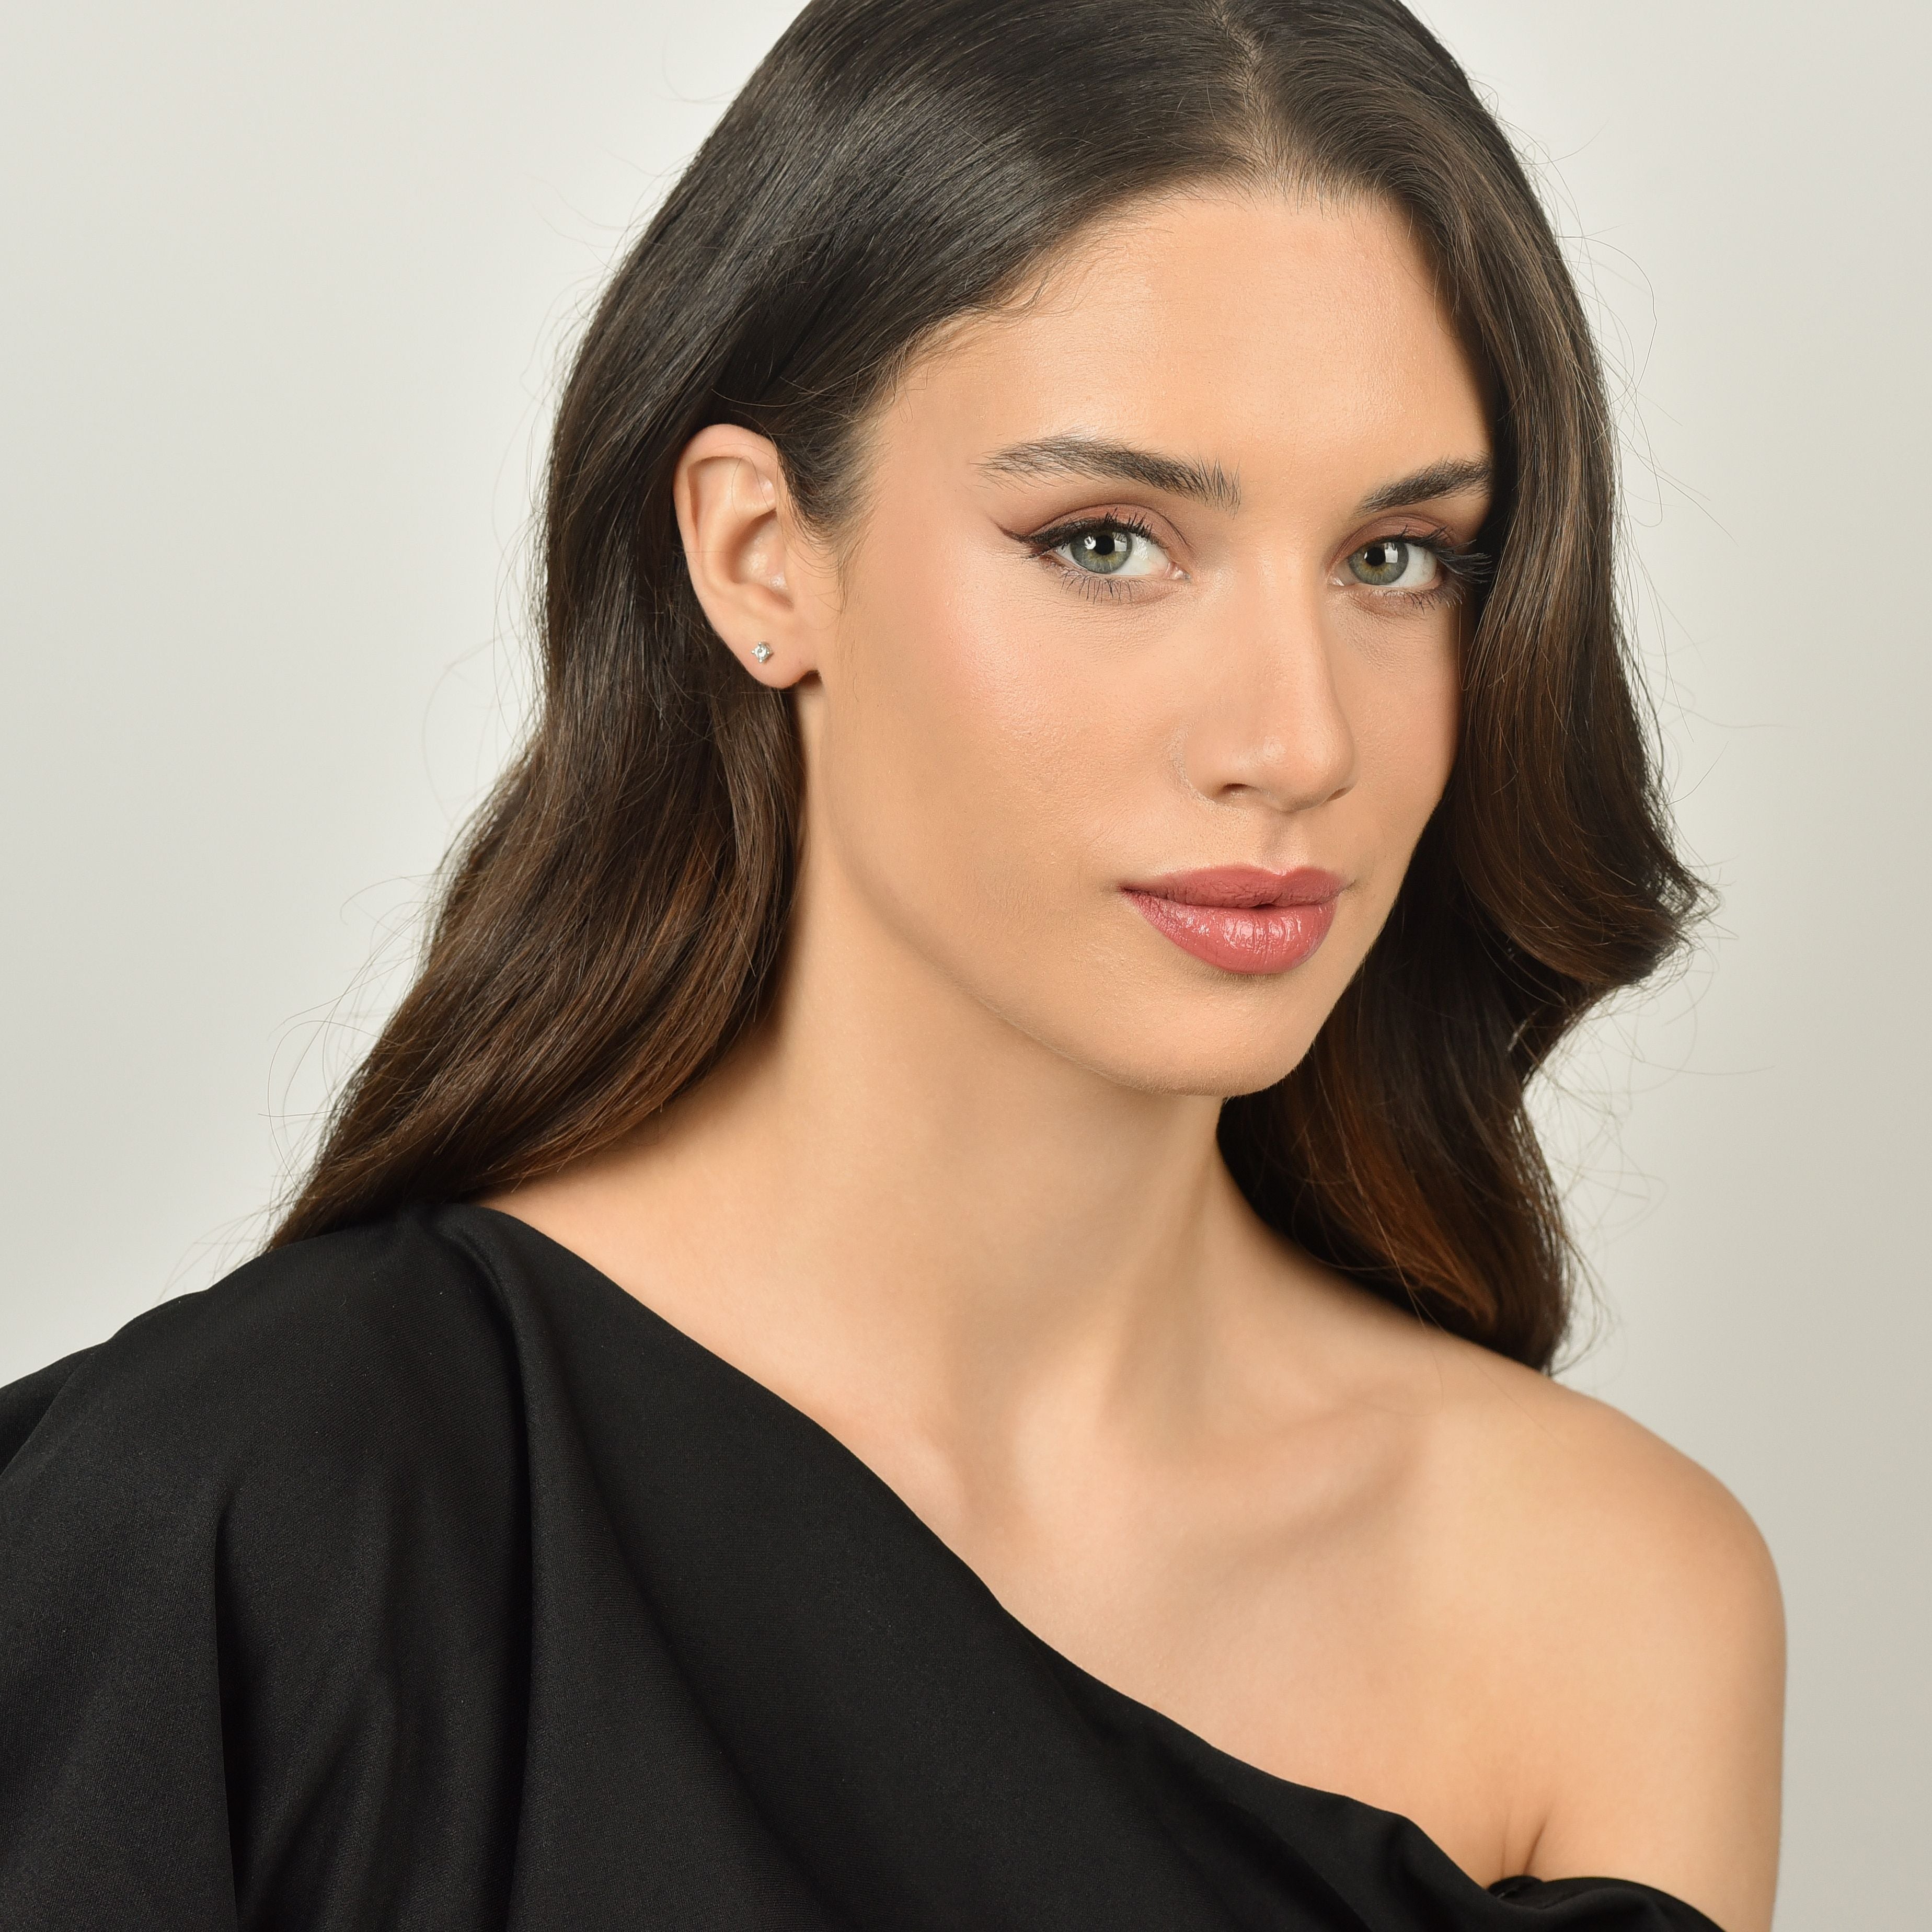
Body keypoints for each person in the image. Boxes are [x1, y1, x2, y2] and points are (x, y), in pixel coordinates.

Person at [0, 1, 1785, 1926]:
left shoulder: (1606, 1599)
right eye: (1106, 542)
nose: (1299, 740)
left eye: (1396, 558)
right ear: (760, 554)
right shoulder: (223, 1519)